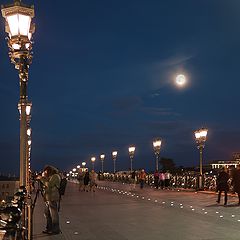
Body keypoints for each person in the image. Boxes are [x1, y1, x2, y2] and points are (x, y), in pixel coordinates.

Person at [37, 165, 61, 235]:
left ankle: (56, 230)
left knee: (54, 215)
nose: (45, 173)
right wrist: (43, 178)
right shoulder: (51, 177)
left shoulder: (55, 176)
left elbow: (49, 184)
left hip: (52, 198)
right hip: (48, 198)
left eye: (46, 171)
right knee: (47, 214)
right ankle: (49, 228)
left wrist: (42, 178)